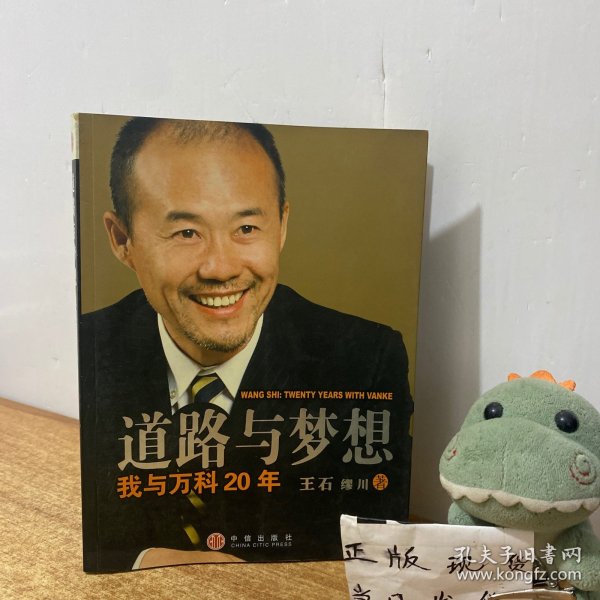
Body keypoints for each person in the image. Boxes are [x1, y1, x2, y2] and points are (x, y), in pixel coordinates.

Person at [79, 117, 413, 572]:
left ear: (282, 225)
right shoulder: (87, 351)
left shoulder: (365, 360)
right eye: (186, 233)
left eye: (247, 229)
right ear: (122, 240)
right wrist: (140, 561)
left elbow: (376, 542)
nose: (221, 268)